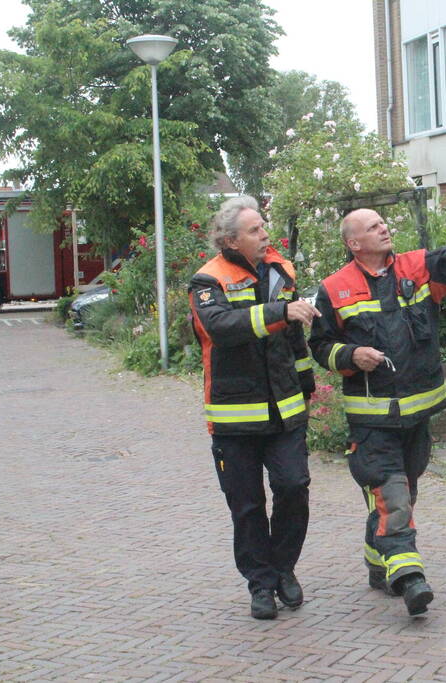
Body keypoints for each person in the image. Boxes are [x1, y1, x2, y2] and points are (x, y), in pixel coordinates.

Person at [308, 189, 446, 616]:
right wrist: (350, 355)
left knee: (401, 496)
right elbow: (320, 346)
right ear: (354, 243)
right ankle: (410, 577)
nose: (384, 228)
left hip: (417, 418)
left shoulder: (417, 268)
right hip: (372, 424)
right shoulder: (334, 289)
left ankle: (378, 563)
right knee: (393, 498)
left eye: (383, 222)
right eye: (373, 226)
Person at [188, 196, 321, 620]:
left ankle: (282, 569)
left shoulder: (282, 271)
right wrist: (281, 311)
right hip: (235, 419)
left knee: (293, 487)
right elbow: (222, 328)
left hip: (285, 412)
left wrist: (305, 382)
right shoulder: (207, 281)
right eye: (255, 230)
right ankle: (260, 584)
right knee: (246, 507)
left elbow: (294, 337)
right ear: (231, 240)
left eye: (264, 226)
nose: (265, 235)